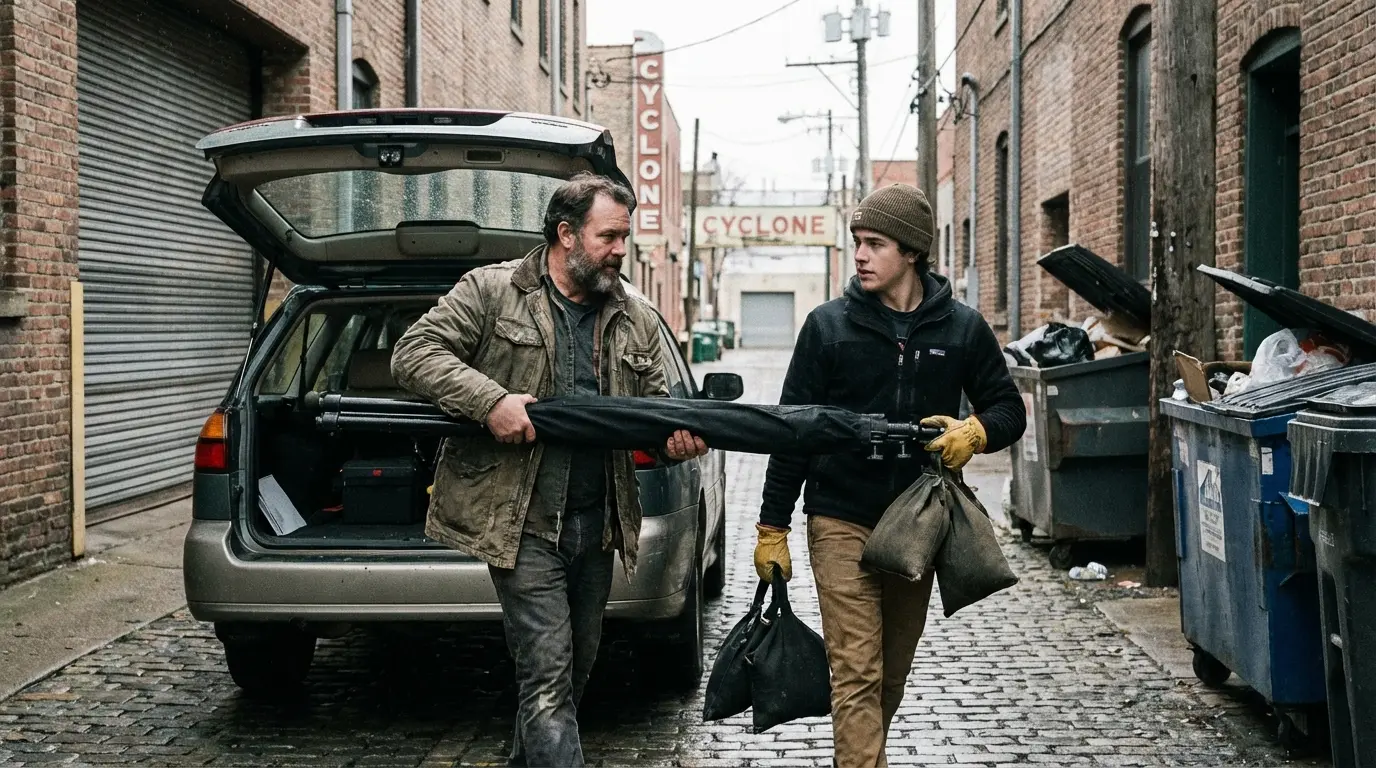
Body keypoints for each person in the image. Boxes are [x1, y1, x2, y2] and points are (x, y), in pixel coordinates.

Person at [391, 172, 708, 767]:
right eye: (609, 237)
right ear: (566, 234)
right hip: (523, 526)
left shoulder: (633, 315)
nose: (621, 250)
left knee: (572, 673)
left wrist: (675, 443)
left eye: (625, 237)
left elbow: (654, 414)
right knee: (547, 678)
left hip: (594, 528)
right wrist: (491, 402)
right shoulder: (492, 291)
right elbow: (414, 353)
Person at [752, 183, 1026, 767]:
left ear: (911, 251)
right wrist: (771, 527)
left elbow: (1009, 409)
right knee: (855, 672)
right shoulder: (827, 327)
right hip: (839, 516)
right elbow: (791, 431)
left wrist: (975, 432)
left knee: (889, 676)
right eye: (857, 242)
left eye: (874, 243)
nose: (860, 254)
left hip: (916, 523)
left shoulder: (962, 329)